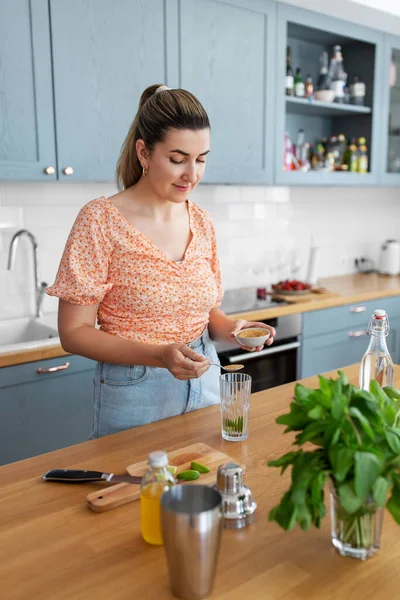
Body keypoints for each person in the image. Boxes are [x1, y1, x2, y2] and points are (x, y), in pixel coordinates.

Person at [46, 84, 276, 438]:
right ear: (144, 152)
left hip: (206, 381)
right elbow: (73, 333)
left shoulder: (201, 221)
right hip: (135, 392)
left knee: (206, 486)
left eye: (201, 159)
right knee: (136, 491)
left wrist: (233, 329)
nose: (192, 175)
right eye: (178, 159)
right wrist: (160, 356)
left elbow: (206, 315)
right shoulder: (100, 221)